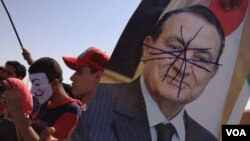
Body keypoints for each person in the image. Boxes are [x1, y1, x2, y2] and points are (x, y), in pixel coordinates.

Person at [66, 5, 225, 141]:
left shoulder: (207, 138)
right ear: (148, 48)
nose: (183, 68)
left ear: (213, 73)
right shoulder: (98, 110)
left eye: (201, 59)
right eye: (175, 48)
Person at [5, 57, 83, 141]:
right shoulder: (45, 104)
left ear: (55, 83)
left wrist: (18, 113)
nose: (32, 90)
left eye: (37, 84)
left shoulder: (71, 110)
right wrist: (16, 117)